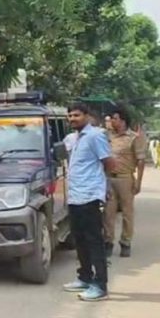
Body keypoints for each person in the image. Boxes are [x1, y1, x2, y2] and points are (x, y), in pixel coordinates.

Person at [62, 103, 115, 302]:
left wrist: (105, 187)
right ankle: (85, 277)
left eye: (76, 115)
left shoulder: (95, 136)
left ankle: (100, 286)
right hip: (75, 196)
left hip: (90, 195)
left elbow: (109, 163)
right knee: (80, 240)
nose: (72, 119)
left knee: (94, 241)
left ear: (87, 116)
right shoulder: (72, 138)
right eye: (70, 116)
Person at [104, 107, 146, 258]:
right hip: (109, 178)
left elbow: (141, 161)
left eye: (114, 118)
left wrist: (138, 182)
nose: (111, 121)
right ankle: (108, 241)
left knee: (127, 212)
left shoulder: (134, 137)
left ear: (122, 120)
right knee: (108, 213)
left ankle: (126, 242)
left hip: (125, 178)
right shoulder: (108, 137)